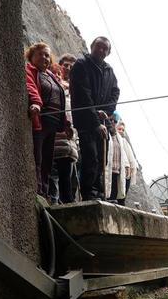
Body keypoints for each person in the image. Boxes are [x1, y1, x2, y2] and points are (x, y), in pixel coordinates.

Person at [70, 37, 120, 201]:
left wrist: (105, 112)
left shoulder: (109, 70)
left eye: (105, 49)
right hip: (86, 120)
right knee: (90, 155)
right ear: (92, 47)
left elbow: (115, 92)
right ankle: (89, 193)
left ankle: (99, 192)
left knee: (102, 158)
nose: (101, 50)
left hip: (102, 121)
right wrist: (95, 118)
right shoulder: (81, 65)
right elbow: (83, 95)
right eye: (99, 46)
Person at [24, 42, 67, 199]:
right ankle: (38, 191)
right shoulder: (29, 70)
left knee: (48, 160)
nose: (44, 57)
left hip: (53, 124)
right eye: (40, 54)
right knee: (38, 157)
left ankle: (45, 191)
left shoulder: (52, 76)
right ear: (31, 56)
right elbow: (30, 88)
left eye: (47, 55)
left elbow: (61, 99)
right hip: (40, 120)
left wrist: (66, 124)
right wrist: (36, 103)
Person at [51, 56, 79, 204]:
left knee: (68, 176)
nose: (68, 68)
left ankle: (65, 202)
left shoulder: (75, 89)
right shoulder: (55, 86)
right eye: (65, 65)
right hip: (57, 132)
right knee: (54, 173)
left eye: (71, 66)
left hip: (71, 138)